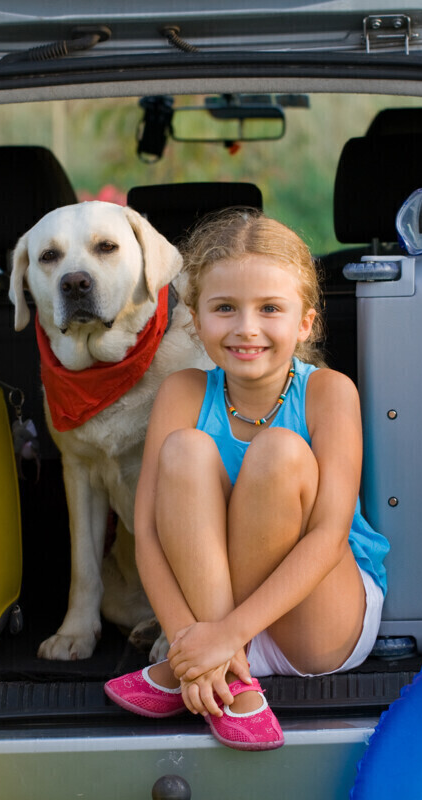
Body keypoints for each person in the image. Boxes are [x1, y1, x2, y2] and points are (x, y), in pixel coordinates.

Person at [104, 209, 389, 751]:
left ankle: (208, 665)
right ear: (195, 317)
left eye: (270, 309)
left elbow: (329, 536)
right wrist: (190, 638)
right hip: (212, 623)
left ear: (306, 322)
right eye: (225, 308)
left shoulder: (330, 392)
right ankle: (228, 679)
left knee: (278, 451)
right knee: (184, 450)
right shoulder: (183, 392)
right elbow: (147, 531)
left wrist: (216, 640)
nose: (246, 328)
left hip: (315, 617)